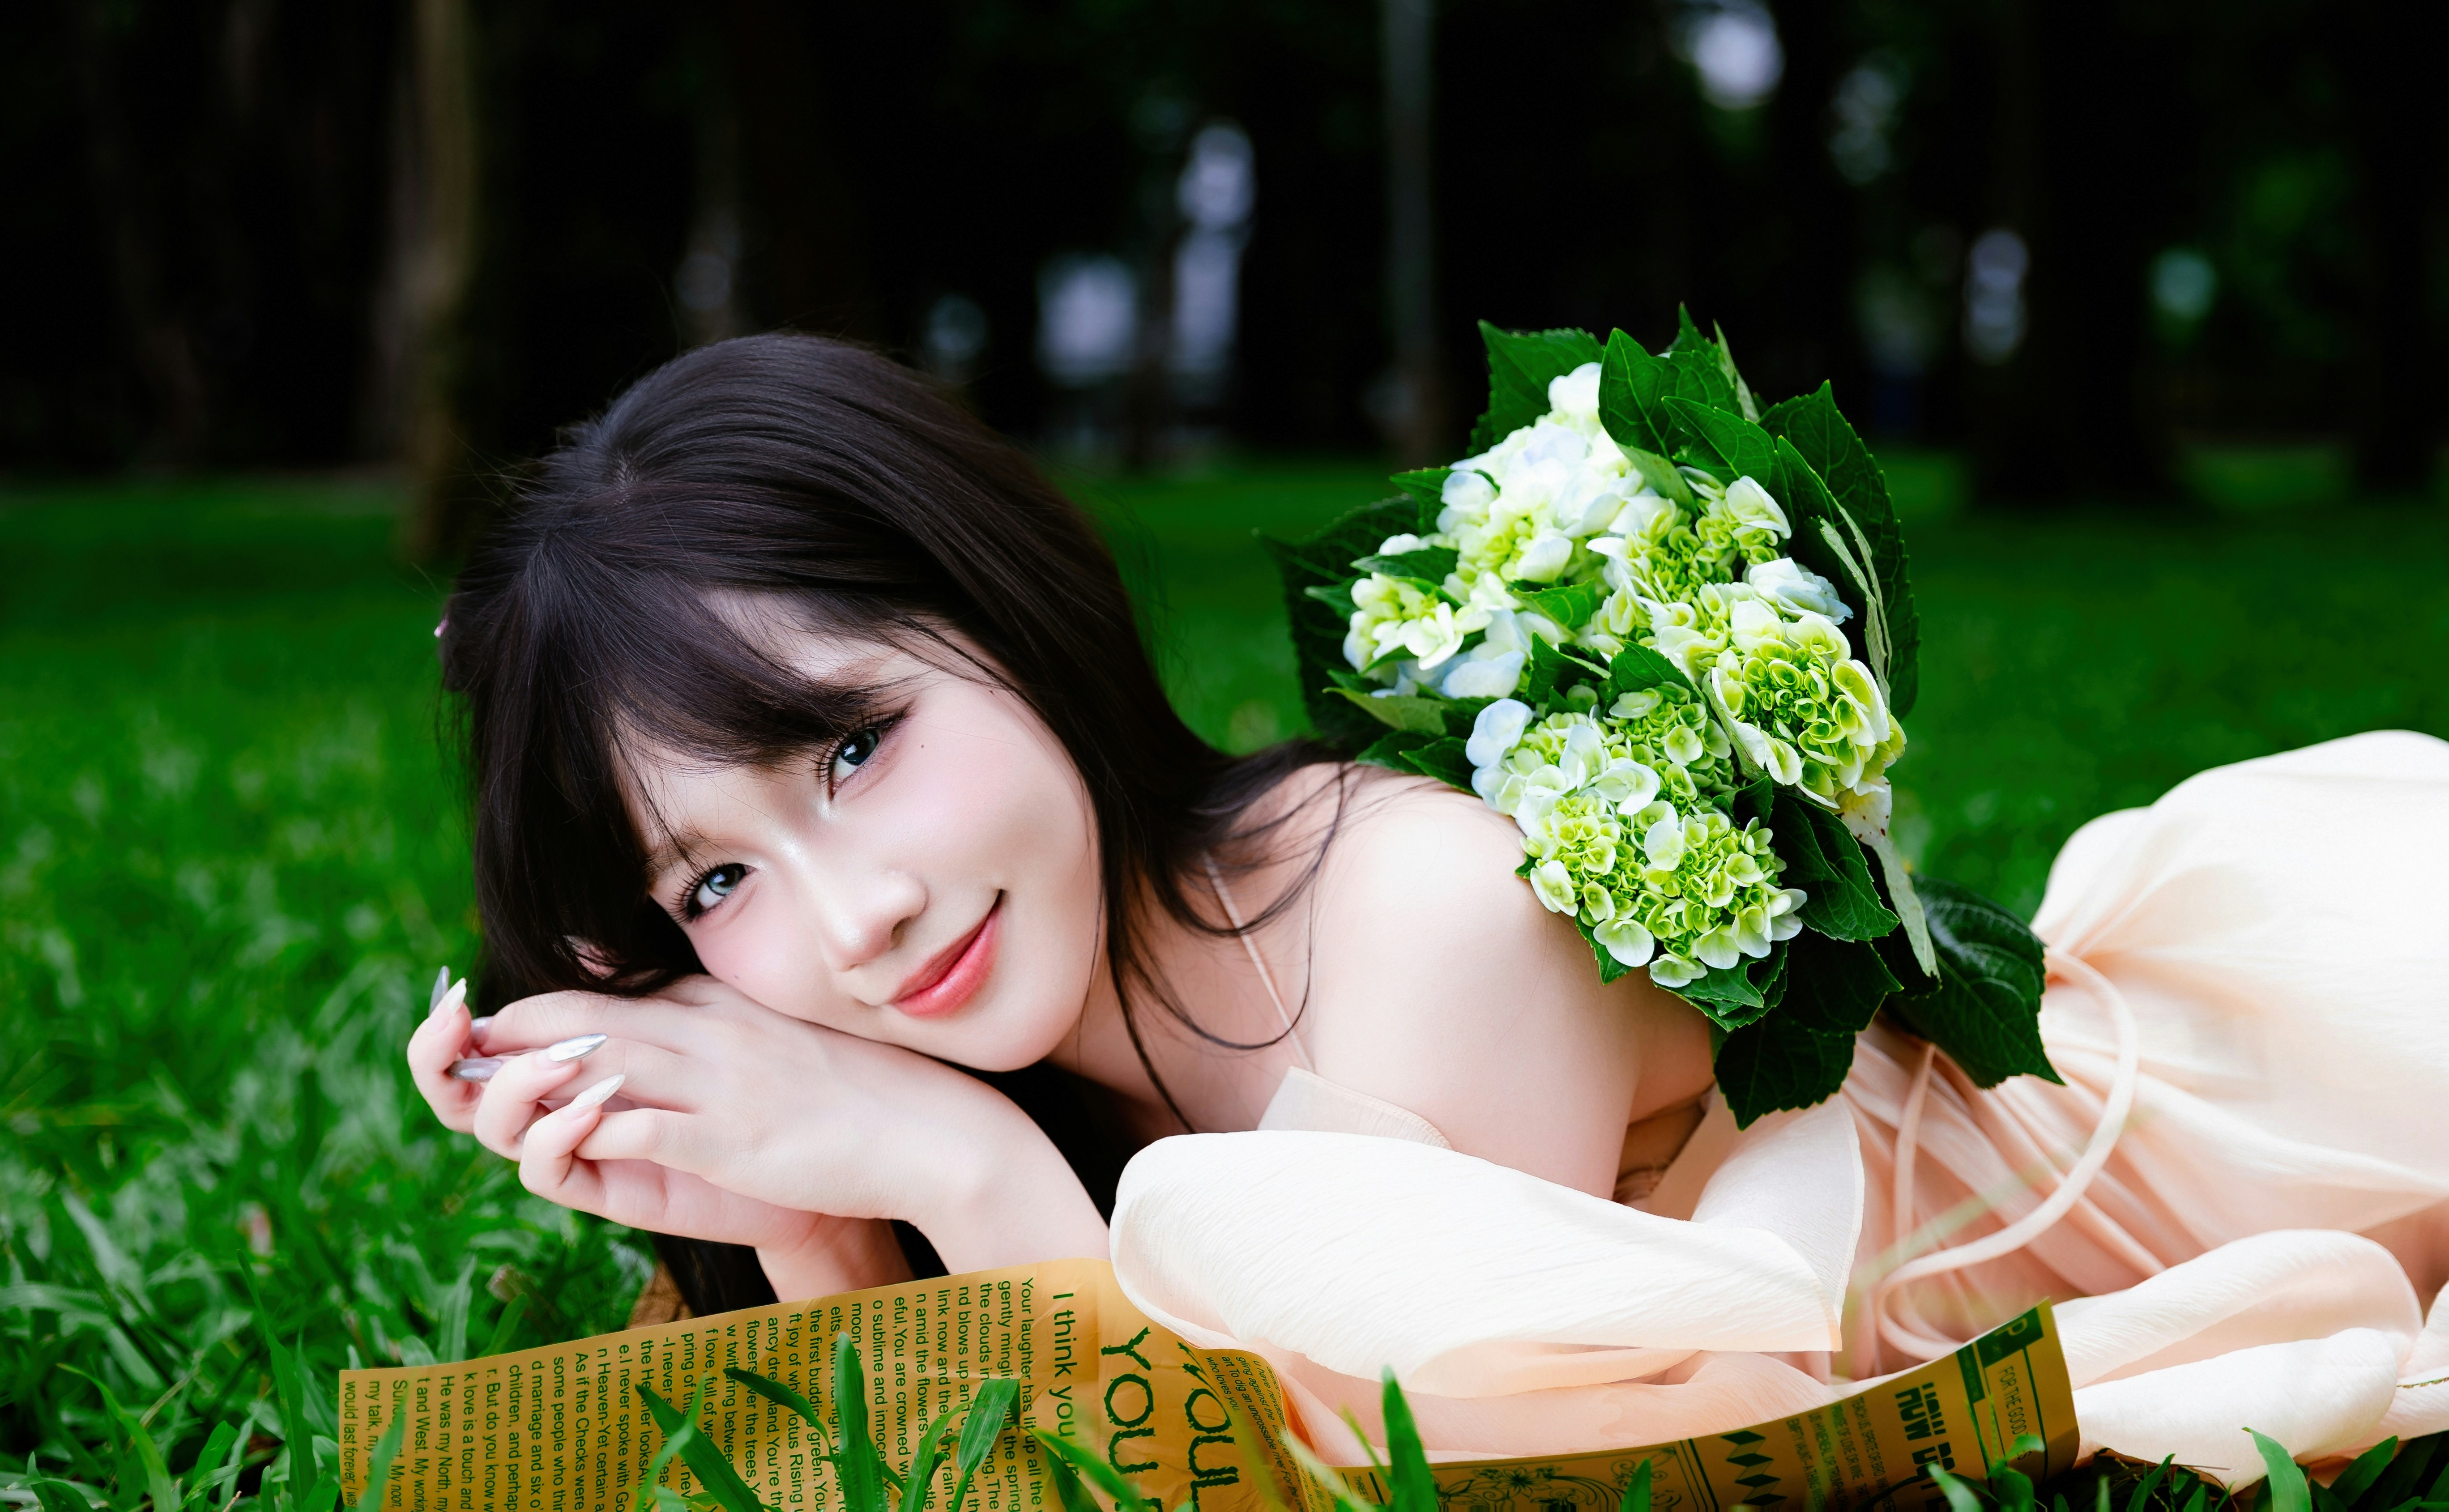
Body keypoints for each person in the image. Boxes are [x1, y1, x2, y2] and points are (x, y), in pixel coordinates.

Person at [407, 333, 2449, 1483]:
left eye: (855, 746)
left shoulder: (1429, 923)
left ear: (1010, 616)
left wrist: (954, 1170)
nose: (852, 918)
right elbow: (943, 1471)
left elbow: (1344, 1484)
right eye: (717, 878)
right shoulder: (984, 1047)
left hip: (2278, 1119)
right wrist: (803, 1220)